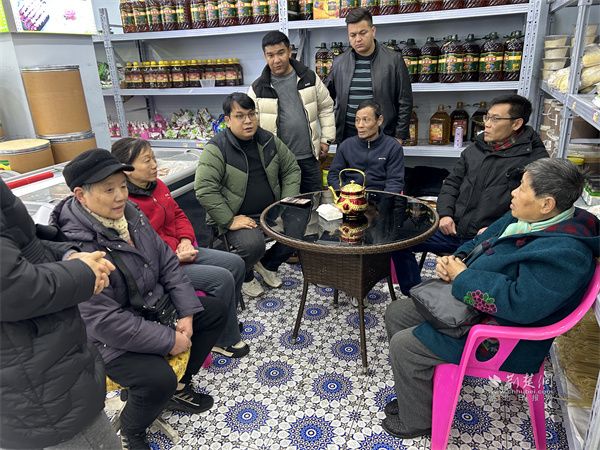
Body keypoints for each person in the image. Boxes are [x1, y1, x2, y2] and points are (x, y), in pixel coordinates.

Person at [383, 158, 599, 439]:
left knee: (405, 346)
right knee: (397, 312)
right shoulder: (529, 218)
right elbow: (480, 242)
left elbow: (521, 304)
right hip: (476, 306)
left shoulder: (566, 254)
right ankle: (418, 396)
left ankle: (418, 421)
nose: (513, 193)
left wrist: (463, 277)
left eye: (522, 188)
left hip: (503, 335)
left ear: (547, 203)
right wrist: (456, 260)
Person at [51, 149, 228, 450]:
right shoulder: (75, 250)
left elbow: (167, 264)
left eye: (122, 185)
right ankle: (132, 430)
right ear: (80, 195)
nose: (121, 195)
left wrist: (186, 313)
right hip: (105, 340)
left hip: (151, 311)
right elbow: (103, 321)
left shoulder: (131, 214)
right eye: (109, 189)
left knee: (212, 311)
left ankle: (178, 388)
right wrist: (168, 340)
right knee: (157, 378)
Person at [0, 179, 121, 449]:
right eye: (109, 188)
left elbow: (26, 242)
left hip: (49, 361)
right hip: (38, 384)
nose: (120, 196)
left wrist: (67, 255)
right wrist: (84, 273)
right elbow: (12, 287)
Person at [392, 94, 549, 295]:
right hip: (454, 228)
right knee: (398, 239)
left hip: (489, 238)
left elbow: (531, 209)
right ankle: (414, 293)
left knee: (467, 282)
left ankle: (454, 303)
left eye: (495, 119)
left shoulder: (535, 161)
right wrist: (445, 214)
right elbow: (452, 182)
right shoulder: (476, 148)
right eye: (487, 117)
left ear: (516, 123)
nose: (487, 124)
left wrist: (496, 229)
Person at [111, 137, 248, 358]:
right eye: (146, 161)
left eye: (153, 158)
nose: (154, 165)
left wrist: (185, 239)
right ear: (126, 169)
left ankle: (225, 321)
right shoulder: (125, 206)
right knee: (221, 278)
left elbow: (178, 214)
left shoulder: (158, 186)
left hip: (182, 249)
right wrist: (175, 256)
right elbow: (143, 249)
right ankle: (223, 339)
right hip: (162, 267)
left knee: (236, 263)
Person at [195, 92, 301, 298]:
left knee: (299, 228)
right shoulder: (217, 148)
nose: (248, 121)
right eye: (240, 116)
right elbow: (204, 188)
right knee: (253, 245)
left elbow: (291, 169)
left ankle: (268, 265)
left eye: (252, 114)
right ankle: (245, 276)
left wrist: (287, 202)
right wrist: (229, 220)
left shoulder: (267, 139)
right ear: (227, 120)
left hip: (271, 211)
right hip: (238, 217)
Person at [248, 30, 335, 193]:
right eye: (270, 55)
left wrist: (326, 139)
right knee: (285, 205)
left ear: (289, 51)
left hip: (309, 158)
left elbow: (326, 107)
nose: (276, 60)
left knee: (314, 201)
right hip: (278, 162)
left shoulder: (309, 78)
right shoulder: (258, 88)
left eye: (281, 53)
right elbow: (251, 125)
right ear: (265, 56)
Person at [325, 7, 412, 143]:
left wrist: (399, 137)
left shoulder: (394, 60)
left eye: (363, 33)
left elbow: (405, 101)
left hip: (383, 136)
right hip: (347, 138)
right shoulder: (339, 63)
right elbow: (325, 98)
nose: (358, 39)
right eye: (353, 35)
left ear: (373, 31)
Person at [327, 100, 404, 193]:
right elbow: (333, 176)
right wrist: (344, 195)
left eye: (366, 120)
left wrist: (384, 200)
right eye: (357, 120)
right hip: (350, 196)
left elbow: (395, 182)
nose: (360, 125)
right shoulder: (346, 146)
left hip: (381, 197)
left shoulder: (393, 147)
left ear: (379, 120)